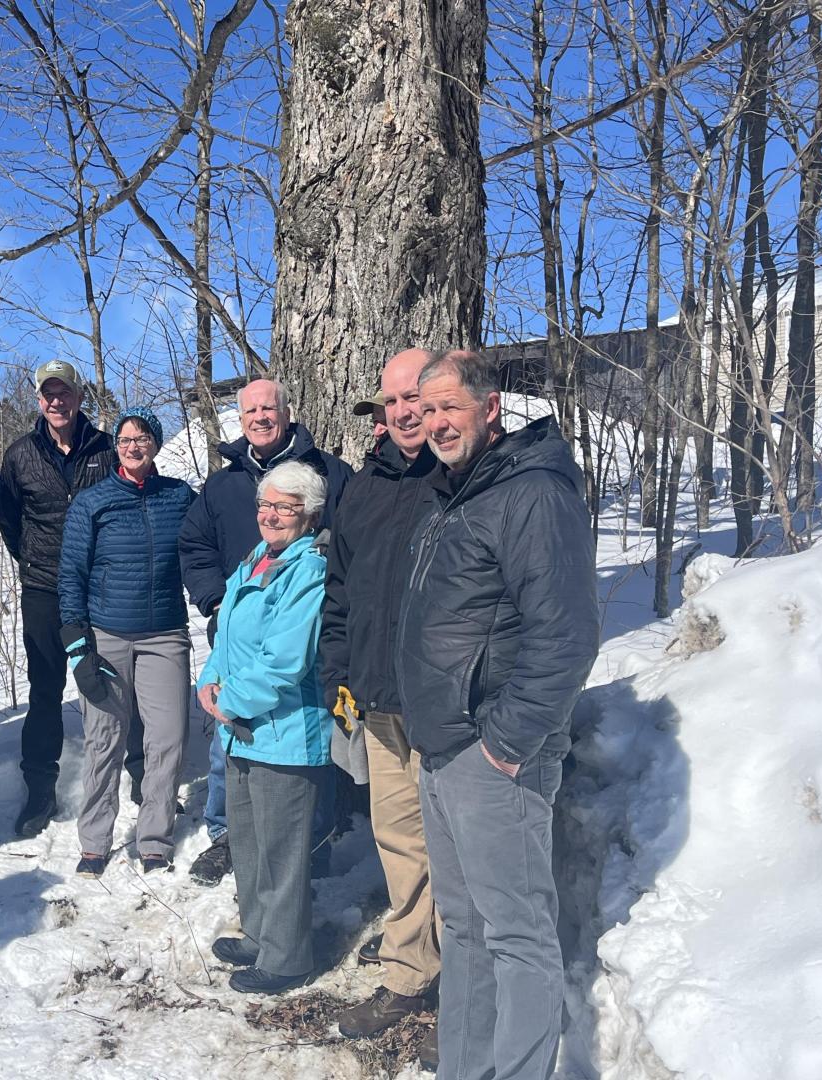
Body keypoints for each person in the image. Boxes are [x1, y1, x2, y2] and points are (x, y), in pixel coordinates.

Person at [397, 350, 599, 1080]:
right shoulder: (457, 493)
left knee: (516, 937)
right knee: (468, 933)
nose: (436, 421)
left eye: (451, 406)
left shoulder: (533, 492)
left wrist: (506, 744)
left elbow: (568, 637)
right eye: (427, 410)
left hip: (493, 755)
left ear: (492, 410)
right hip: (445, 749)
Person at [177, 378, 352, 886]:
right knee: (227, 741)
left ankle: (311, 845)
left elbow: (354, 539)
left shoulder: (329, 474)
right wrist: (215, 601)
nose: (259, 417)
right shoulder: (222, 484)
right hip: (236, 629)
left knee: (297, 747)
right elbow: (194, 546)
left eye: (267, 408)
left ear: (286, 410)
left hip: (299, 629)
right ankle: (227, 834)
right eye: (249, 409)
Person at [320, 348, 443, 1038]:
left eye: (415, 398)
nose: (402, 412)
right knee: (399, 842)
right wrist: (340, 683)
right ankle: (408, 974)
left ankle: (465, 986)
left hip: (444, 708)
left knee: (454, 851)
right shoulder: (363, 490)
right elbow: (341, 596)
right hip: (377, 703)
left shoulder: (462, 479)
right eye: (391, 401)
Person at [196, 461, 331, 995]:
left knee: (281, 850)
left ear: (310, 514)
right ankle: (259, 934)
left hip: (285, 732)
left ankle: (288, 956)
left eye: (285, 507)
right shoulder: (256, 559)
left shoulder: (308, 569)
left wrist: (230, 700)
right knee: (248, 840)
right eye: (265, 505)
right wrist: (209, 682)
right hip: (241, 727)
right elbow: (226, 636)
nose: (270, 515)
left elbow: (285, 660)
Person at [57, 406, 195, 875]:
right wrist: (78, 643)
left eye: (142, 438)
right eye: (124, 439)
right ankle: (94, 840)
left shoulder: (179, 497)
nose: (133, 446)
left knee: (168, 737)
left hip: (165, 635)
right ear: (116, 447)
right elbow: (71, 574)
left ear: (155, 444)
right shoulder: (93, 503)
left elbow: (203, 552)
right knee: (104, 741)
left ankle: (154, 839)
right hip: (107, 636)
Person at [0, 359, 116, 837]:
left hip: (101, 586)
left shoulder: (106, 449)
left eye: (63, 392)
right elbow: (9, 520)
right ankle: (39, 790)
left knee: (111, 681)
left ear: (79, 396)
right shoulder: (20, 454)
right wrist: (32, 559)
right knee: (45, 690)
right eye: (47, 393)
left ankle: (130, 774)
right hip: (44, 587)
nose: (56, 401)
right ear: (38, 400)